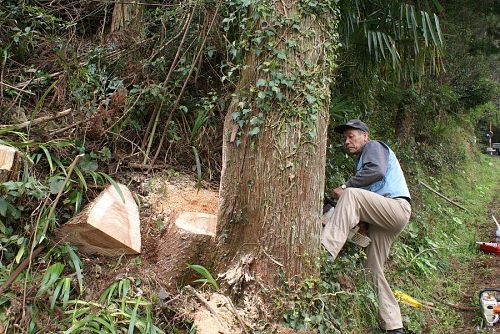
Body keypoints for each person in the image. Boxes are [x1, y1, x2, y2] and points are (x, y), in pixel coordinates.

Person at [321, 119, 411, 334]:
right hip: (385, 219)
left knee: (350, 195)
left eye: (351, 136)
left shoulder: (373, 147)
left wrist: (345, 186)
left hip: (396, 207)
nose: (347, 141)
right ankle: (394, 326)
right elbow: (370, 198)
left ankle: (324, 252)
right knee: (372, 269)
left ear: (365, 135)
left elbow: (377, 171)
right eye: (345, 138)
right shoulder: (363, 162)